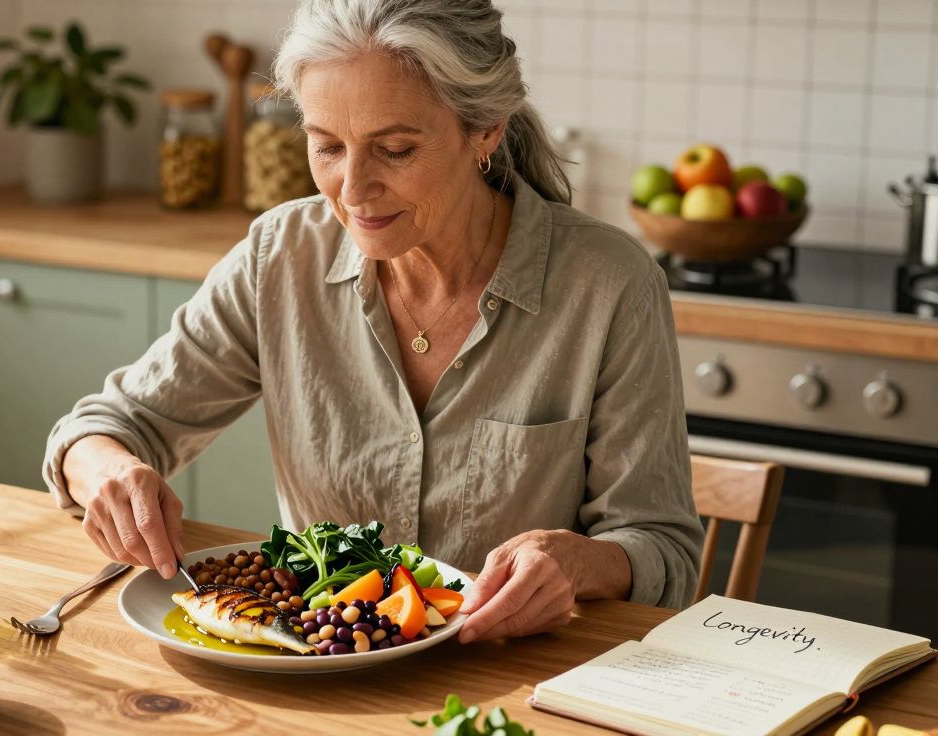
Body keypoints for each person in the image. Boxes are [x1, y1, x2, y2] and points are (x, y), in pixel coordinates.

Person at [43, 0, 703, 643]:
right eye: (327, 146)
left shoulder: (609, 284)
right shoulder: (279, 258)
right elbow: (106, 427)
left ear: (487, 128)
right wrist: (103, 471)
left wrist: (579, 562)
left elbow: (663, 549)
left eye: (394, 150)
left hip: (510, 681)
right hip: (318, 679)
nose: (353, 190)